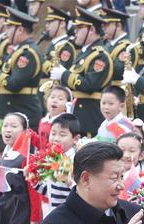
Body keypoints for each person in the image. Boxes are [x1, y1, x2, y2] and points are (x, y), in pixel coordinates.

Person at [49, 7, 114, 137]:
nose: (75, 32)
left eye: (79, 28)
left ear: (91, 30)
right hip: (79, 115)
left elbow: (89, 85)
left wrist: (64, 74)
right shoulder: (85, 53)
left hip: (89, 117)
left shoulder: (99, 55)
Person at [0, 7, 43, 129]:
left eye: (10, 27)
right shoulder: (20, 50)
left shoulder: (27, 53)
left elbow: (14, 84)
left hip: (20, 111)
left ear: (20, 29)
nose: (6, 31)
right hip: (11, 110)